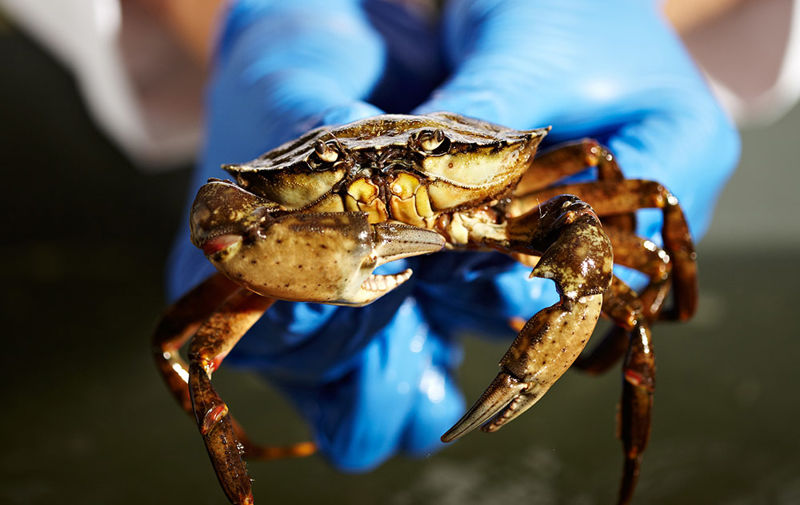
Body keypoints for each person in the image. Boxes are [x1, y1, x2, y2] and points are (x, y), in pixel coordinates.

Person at [162, 0, 742, 472]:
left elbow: (620, 188)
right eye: (334, 164)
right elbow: (220, 220)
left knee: (637, 282)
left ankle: (622, 444)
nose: (386, 186)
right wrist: (247, 20)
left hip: (498, 188)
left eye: (428, 155)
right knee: (192, 359)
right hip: (271, 165)